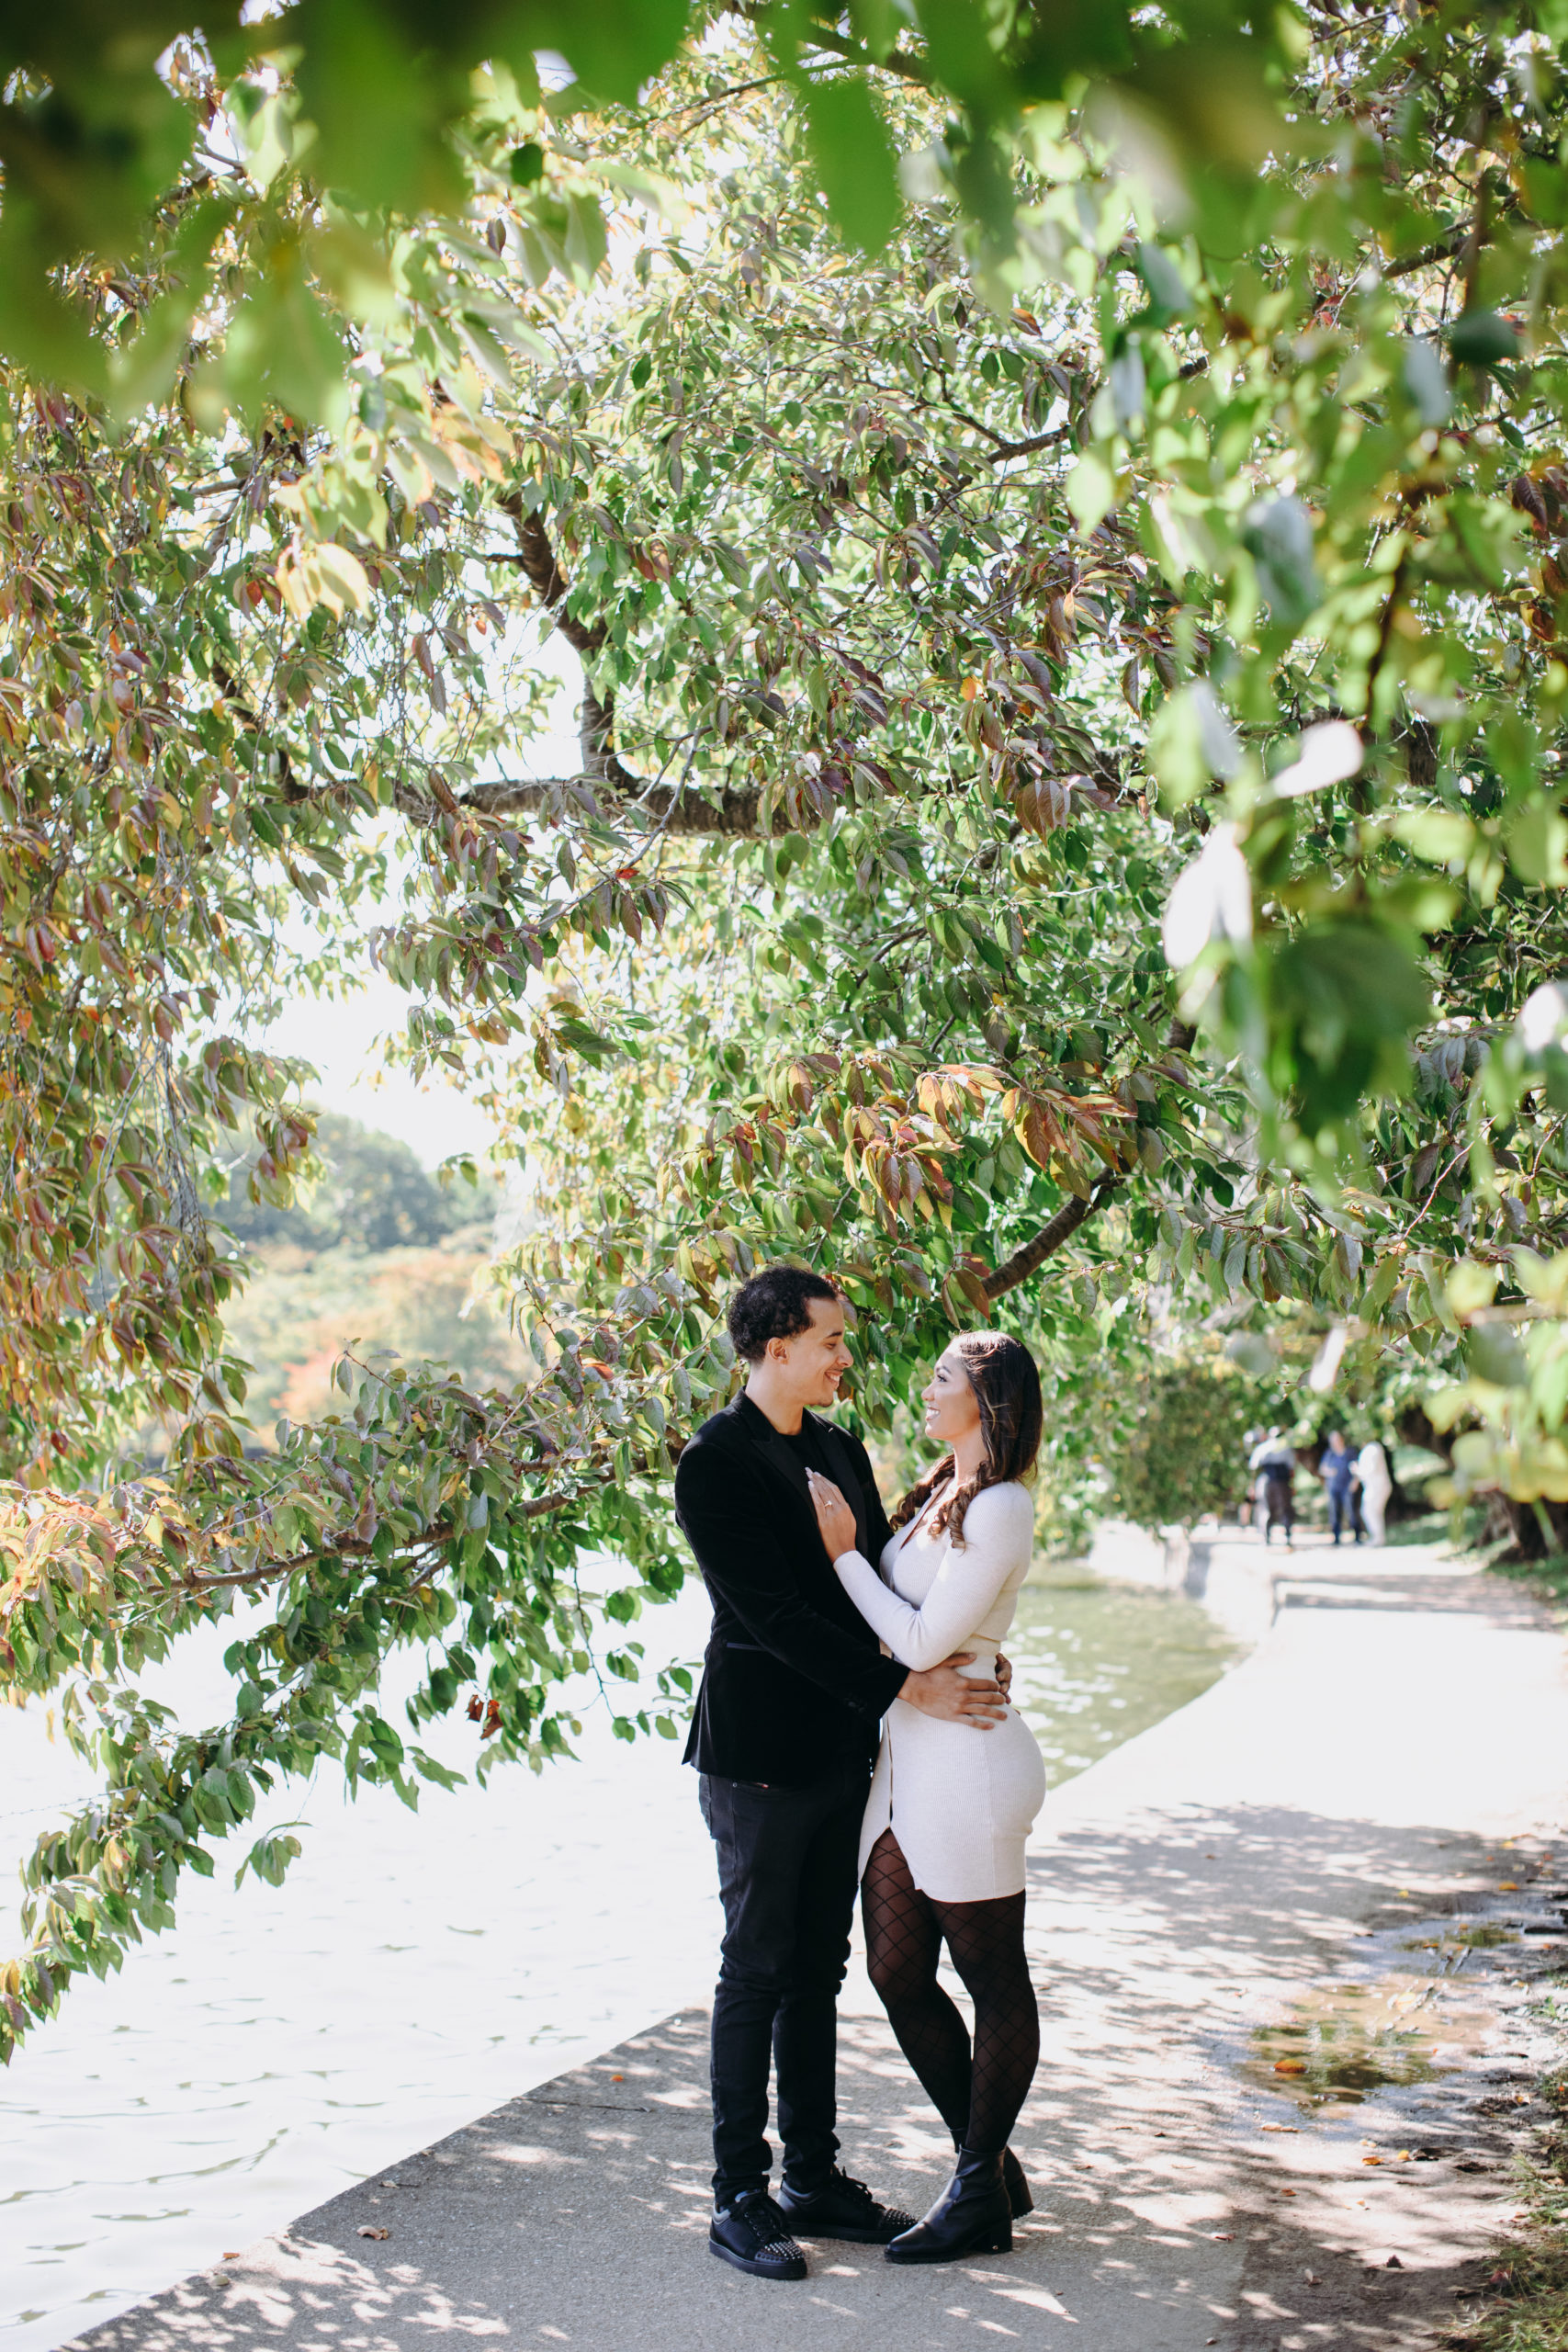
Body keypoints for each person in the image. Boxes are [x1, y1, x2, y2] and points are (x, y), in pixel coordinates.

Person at [673, 1267, 1012, 2283]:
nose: (844, 1356)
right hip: (758, 1760)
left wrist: (963, 1655)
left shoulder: (837, 1448)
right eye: (830, 1340)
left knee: (818, 1970)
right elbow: (769, 1618)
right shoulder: (714, 1463)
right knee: (758, 1965)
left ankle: (811, 2178)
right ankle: (740, 2193)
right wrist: (910, 1691)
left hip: (842, 1752)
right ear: (777, 1346)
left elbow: (873, 1587)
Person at [807, 1330, 1047, 2266]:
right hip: (905, 1764)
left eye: (944, 1374)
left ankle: (975, 2184)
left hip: (971, 1764)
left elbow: (916, 1639)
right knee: (898, 1974)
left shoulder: (1003, 1507)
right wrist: (891, 1626)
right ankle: (987, 2168)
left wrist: (842, 1555)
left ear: (986, 1399)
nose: (927, 1384)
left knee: (994, 1978)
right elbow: (905, 1638)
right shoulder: (939, 1495)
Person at [1248, 1427, 1296, 1548]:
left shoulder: (1262, 1448)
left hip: (1267, 1481)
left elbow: (1253, 1468)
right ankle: (1286, 1536)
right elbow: (1292, 1468)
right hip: (1280, 1483)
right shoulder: (1286, 1449)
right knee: (1284, 1509)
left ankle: (1266, 1537)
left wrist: (1253, 1486)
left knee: (1266, 1509)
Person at [1320, 1430, 1360, 1545]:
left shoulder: (1350, 1452)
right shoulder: (1329, 1454)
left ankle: (1357, 1535)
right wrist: (1329, 1472)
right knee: (1335, 1512)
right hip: (1334, 1487)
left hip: (1347, 1486)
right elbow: (1322, 1468)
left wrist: (1355, 1481)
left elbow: (1356, 1467)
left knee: (1351, 1511)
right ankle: (1336, 1537)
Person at [1356, 1437, 1393, 1546]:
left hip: (1376, 1487)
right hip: (1374, 1486)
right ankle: (1378, 1537)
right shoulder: (1373, 1448)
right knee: (1372, 1512)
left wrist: (1358, 1471)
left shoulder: (1372, 1449)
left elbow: (1371, 1469)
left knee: (1370, 1511)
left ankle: (1378, 1538)